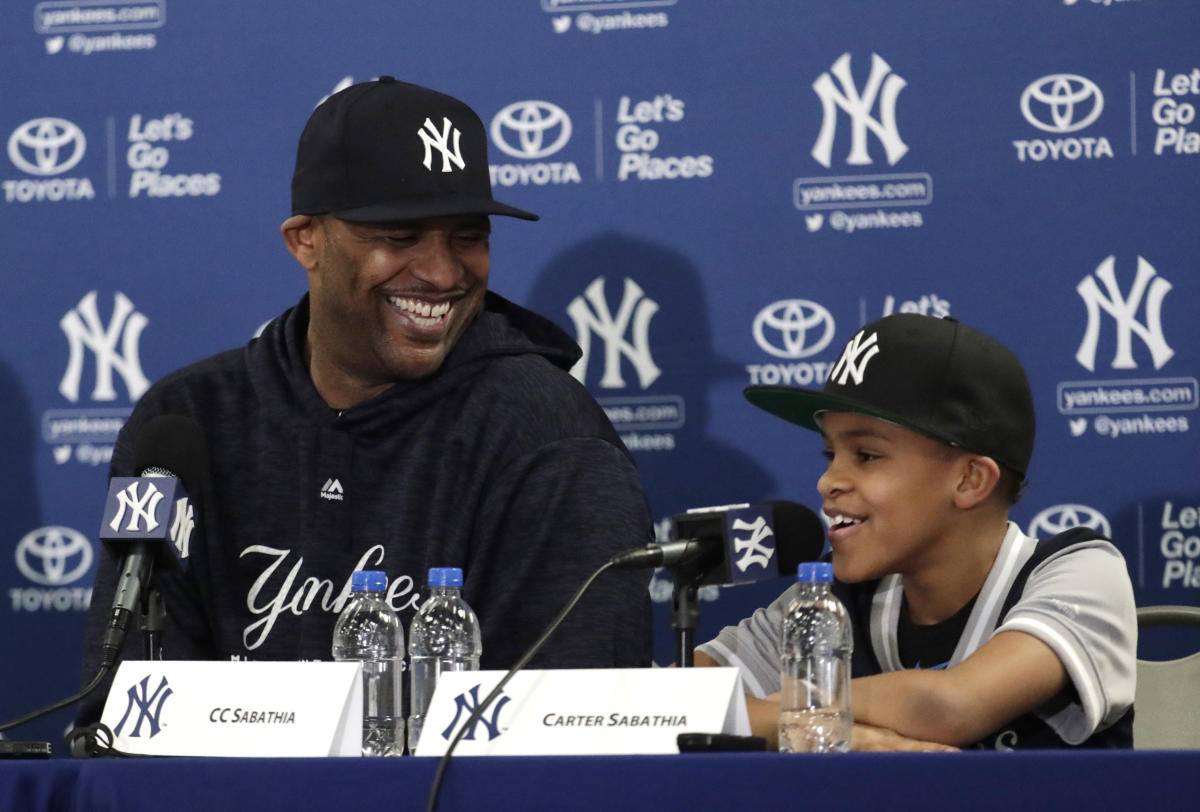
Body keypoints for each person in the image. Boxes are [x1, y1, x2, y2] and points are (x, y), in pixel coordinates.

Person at [77, 77, 653, 726]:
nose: (441, 272)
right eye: (401, 237)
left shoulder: (551, 438)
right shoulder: (184, 421)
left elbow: (569, 737)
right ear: (305, 240)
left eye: (467, 237)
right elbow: (126, 706)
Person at [694, 313, 1137, 750]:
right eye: (830, 453)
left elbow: (952, 708)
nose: (828, 481)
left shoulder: (1083, 574)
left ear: (970, 480)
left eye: (866, 455)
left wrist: (795, 709)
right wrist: (842, 733)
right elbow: (679, 701)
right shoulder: (828, 600)